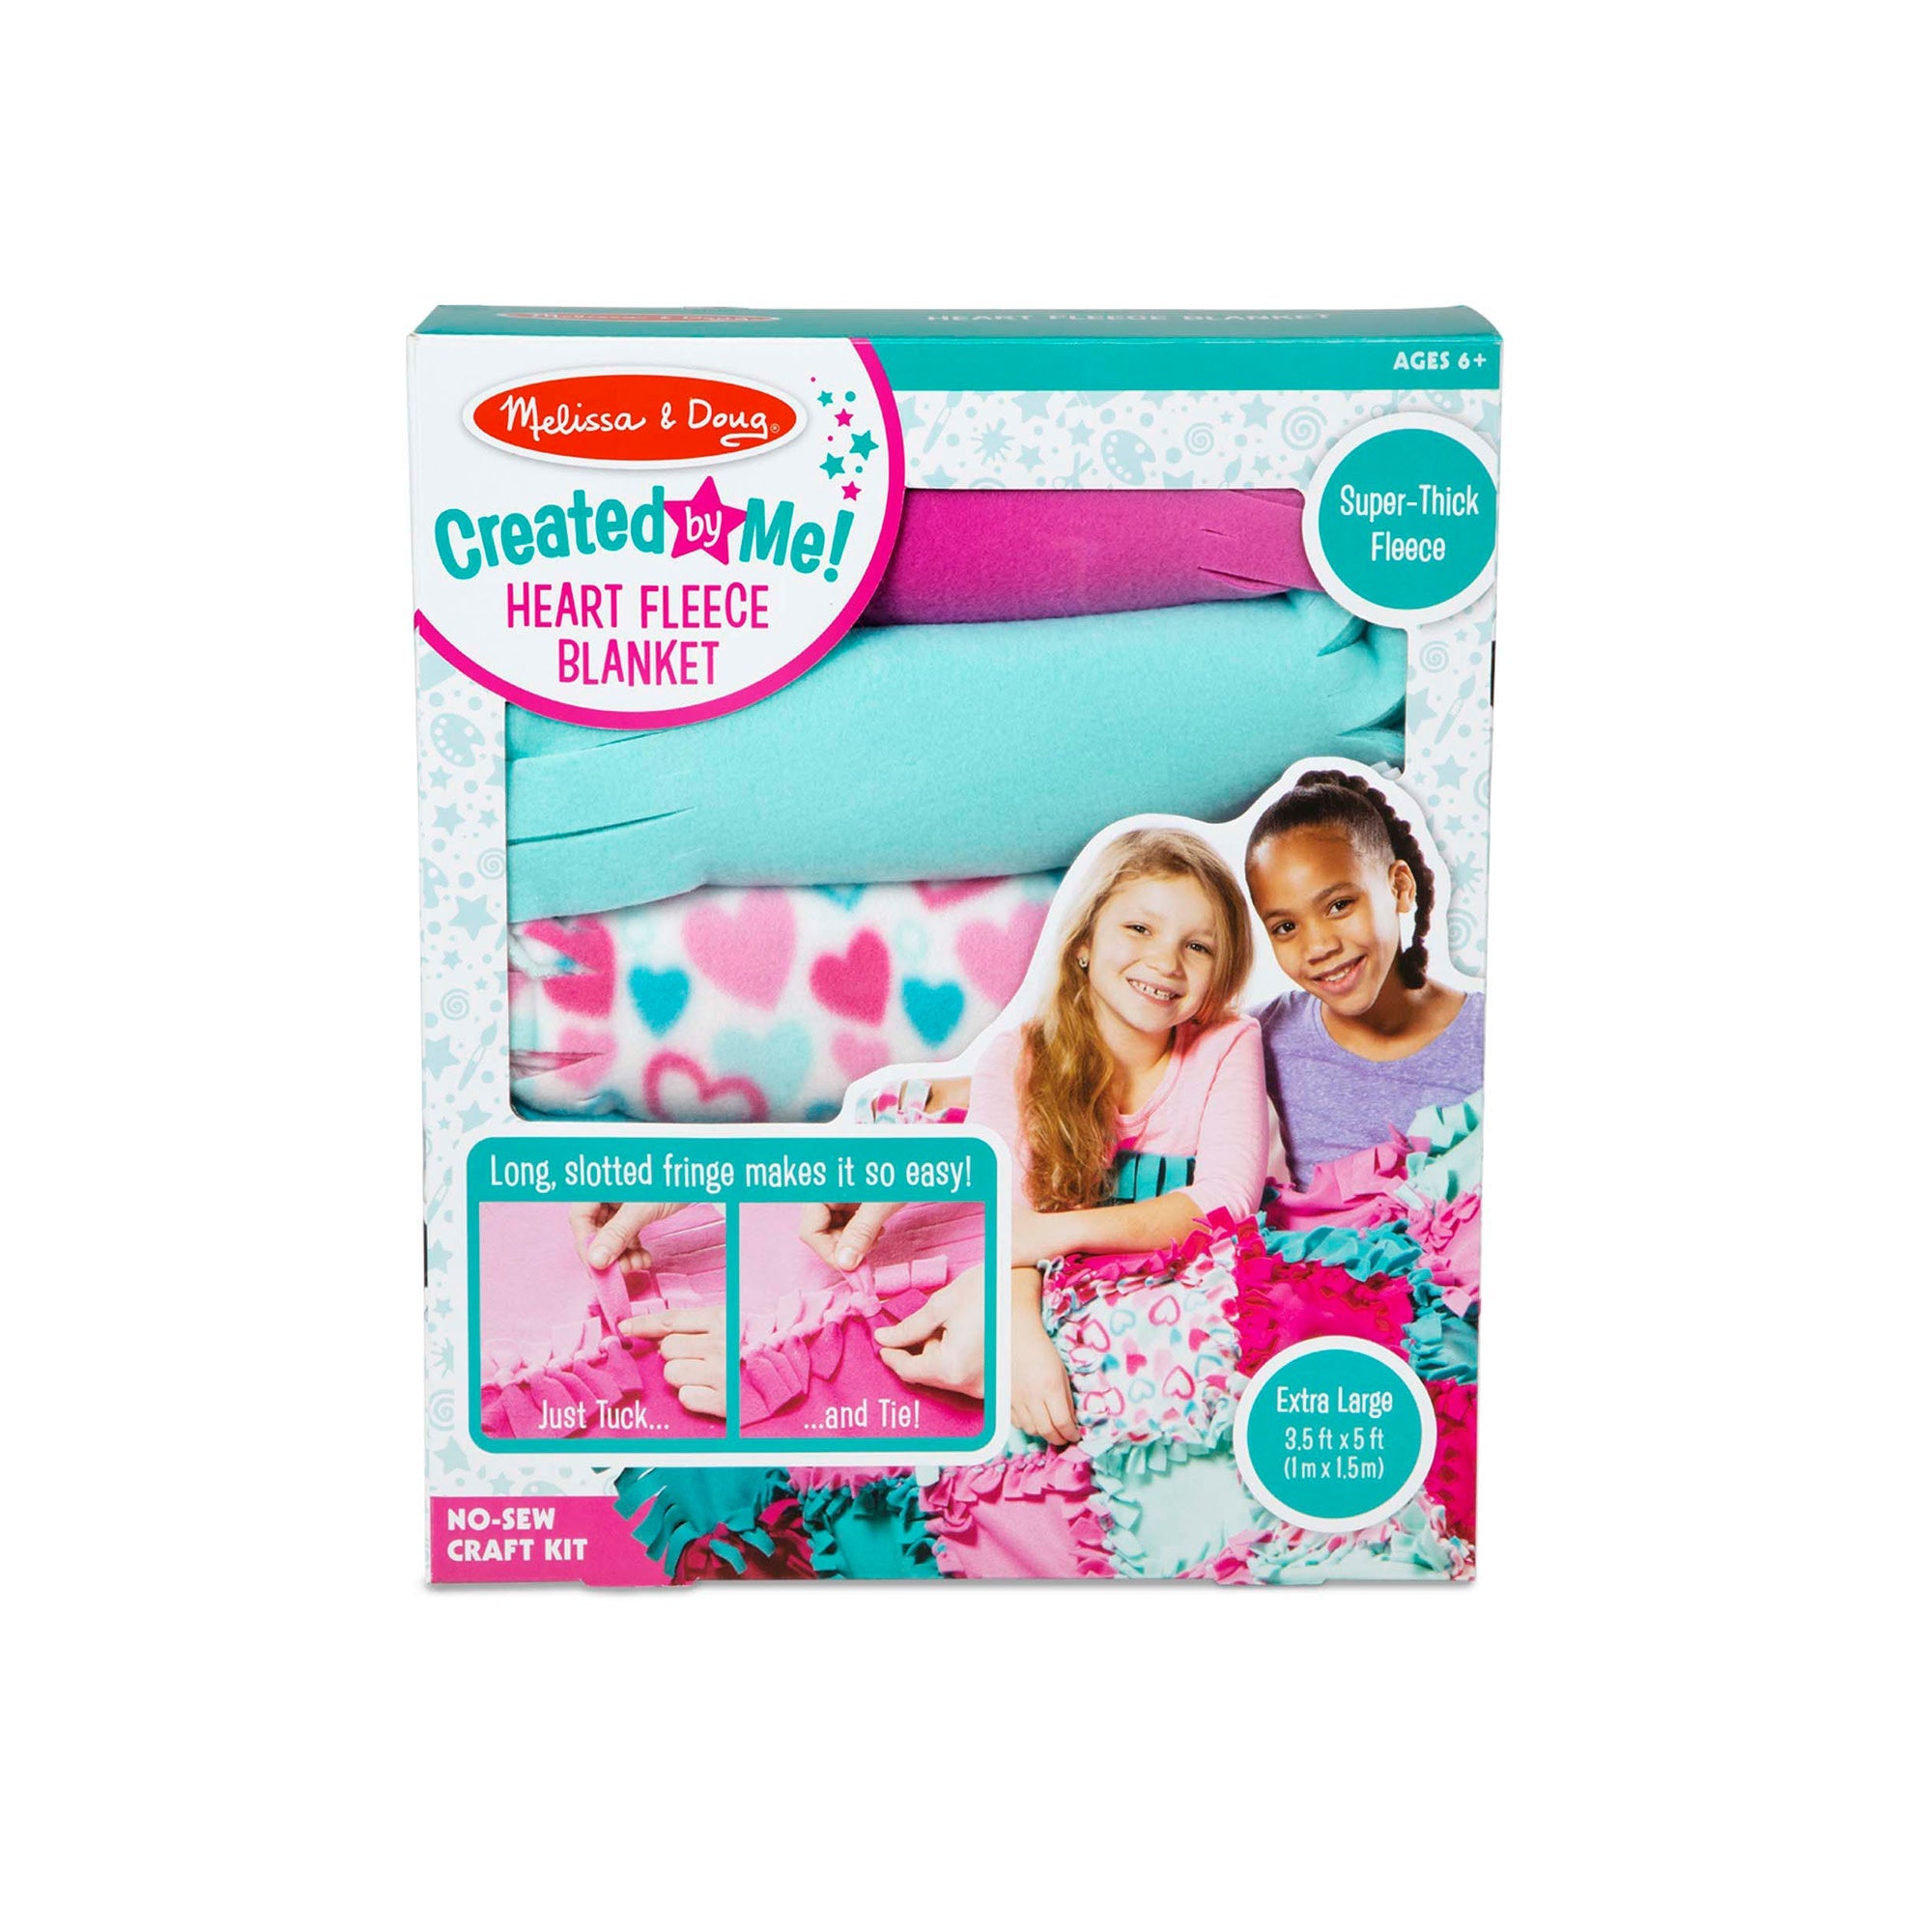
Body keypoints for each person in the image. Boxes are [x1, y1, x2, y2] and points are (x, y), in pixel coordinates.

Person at [967, 827, 1268, 1444]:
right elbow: (1003, 1225)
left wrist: (1060, 1230)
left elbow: (1227, 1200)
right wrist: (1019, 1339)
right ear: (1084, 942)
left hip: (1172, 1313)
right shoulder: (1016, 1059)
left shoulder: (1229, 1043)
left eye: (1197, 946)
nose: (1167, 963)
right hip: (1053, 1306)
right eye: (1139, 928)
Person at [1243, 769, 1484, 1186]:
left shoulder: (1485, 1036)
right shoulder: (1257, 1039)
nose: (1319, 947)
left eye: (1339, 905)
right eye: (1286, 927)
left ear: (1400, 888)